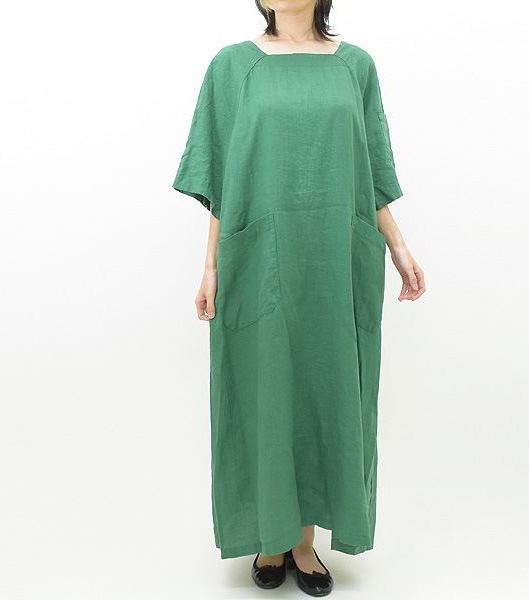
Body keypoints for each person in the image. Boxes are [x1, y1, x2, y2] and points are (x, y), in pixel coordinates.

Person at [172, 0, 426, 595]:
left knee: (324, 388)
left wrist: (400, 248)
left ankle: (305, 541)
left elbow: (373, 171)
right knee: (265, 385)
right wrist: (210, 266)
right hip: (261, 258)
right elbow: (221, 178)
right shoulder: (233, 67)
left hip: (335, 258)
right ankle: (271, 534)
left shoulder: (355, 66)